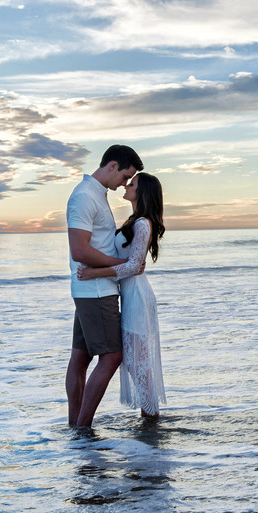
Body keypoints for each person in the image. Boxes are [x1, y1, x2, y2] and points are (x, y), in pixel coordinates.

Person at [65, 144, 144, 427]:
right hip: (97, 291)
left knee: (82, 357)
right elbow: (80, 250)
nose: (124, 183)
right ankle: (83, 427)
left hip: (92, 289)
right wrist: (119, 267)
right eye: (125, 176)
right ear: (113, 166)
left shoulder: (95, 195)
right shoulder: (85, 196)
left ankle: (76, 426)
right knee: (111, 356)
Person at [77, 172, 166, 420]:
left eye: (133, 183)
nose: (127, 185)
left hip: (137, 297)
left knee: (138, 364)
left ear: (143, 192)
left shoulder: (142, 223)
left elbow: (133, 266)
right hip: (129, 295)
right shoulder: (134, 221)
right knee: (135, 362)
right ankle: (150, 419)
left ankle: (151, 421)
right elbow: (130, 264)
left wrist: (95, 272)